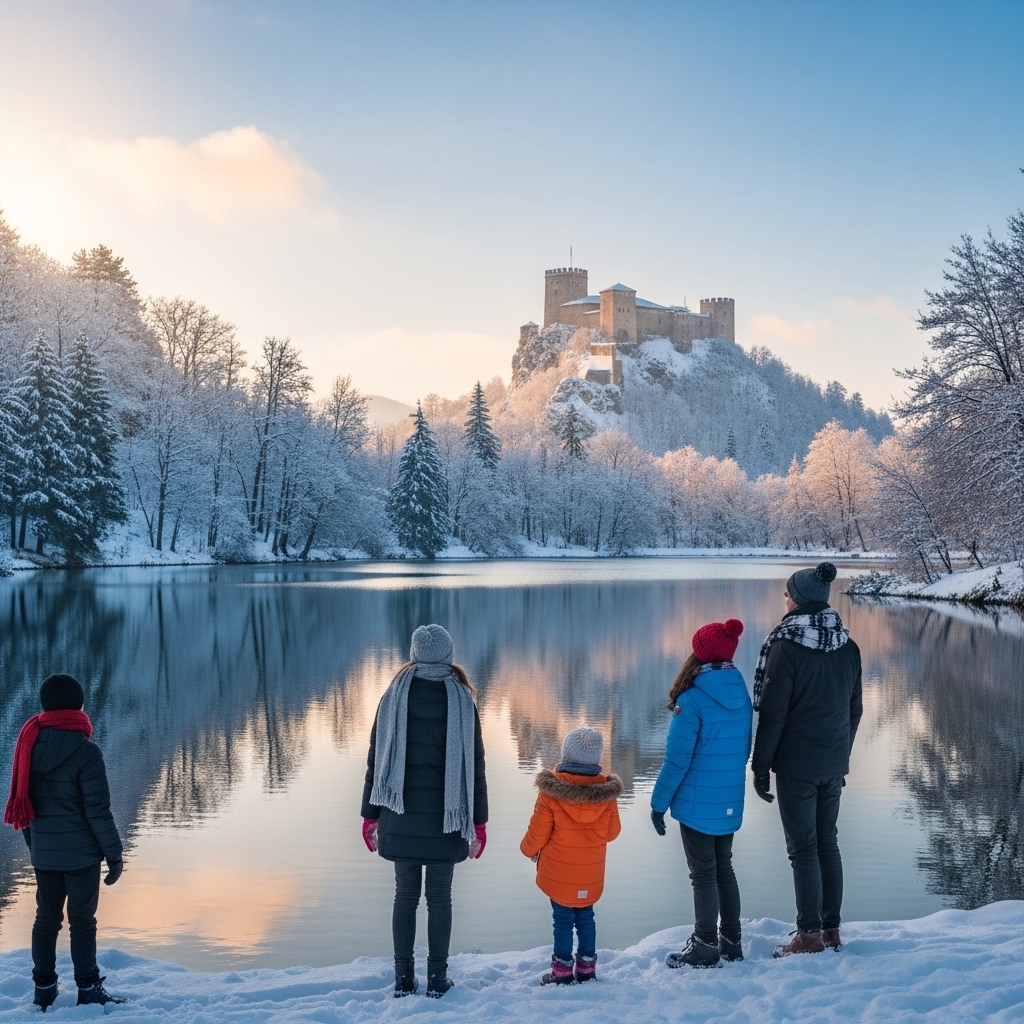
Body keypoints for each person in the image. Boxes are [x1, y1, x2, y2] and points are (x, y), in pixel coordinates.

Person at [360, 624, 488, 998]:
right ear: (448, 655)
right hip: (448, 820)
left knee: (404, 896)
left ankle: (403, 979)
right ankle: (436, 979)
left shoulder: (393, 696)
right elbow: (476, 768)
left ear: (414, 654)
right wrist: (478, 823)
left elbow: (375, 762)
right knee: (440, 897)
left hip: (398, 815)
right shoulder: (463, 700)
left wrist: (370, 814)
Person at [751, 562, 863, 957]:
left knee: (803, 849)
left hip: (797, 764)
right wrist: (840, 757)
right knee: (827, 844)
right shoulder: (848, 646)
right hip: (832, 762)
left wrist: (760, 766)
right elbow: (855, 711)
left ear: (797, 598)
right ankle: (830, 930)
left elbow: (774, 713)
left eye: (787, 592)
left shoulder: (786, 646)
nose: (785, 597)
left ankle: (809, 935)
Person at [4, 673, 124, 1012]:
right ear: (79, 706)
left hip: (44, 853)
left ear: (45, 705)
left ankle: (44, 990)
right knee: (82, 921)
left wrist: (37, 846)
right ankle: (87, 988)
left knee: (46, 919)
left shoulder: (28, 745)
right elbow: (98, 812)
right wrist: (114, 856)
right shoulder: (86, 752)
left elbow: (24, 805)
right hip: (82, 857)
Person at [650, 619, 752, 969]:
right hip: (729, 800)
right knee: (724, 868)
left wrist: (657, 805)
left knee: (703, 874)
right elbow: (743, 750)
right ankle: (732, 941)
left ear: (699, 653)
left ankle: (706, 943)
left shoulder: (692, 699)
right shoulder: (741, 693)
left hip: (696, 804)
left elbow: (677, 761)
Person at [520, 727, 622, 986]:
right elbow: (613, 833)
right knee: (586, 918)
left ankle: (562, 972)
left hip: (559, 874)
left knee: (562, 920)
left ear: (567, 754)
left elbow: (538, 832)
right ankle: (587, 968)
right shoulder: (607, 795)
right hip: (590, 874)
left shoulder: (551, 791)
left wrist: (528, 850)